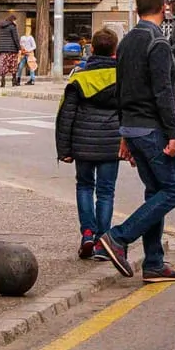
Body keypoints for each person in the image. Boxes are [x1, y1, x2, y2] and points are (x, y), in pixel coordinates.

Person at [96, 0, 175, 281]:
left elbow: (121, 89)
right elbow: (163, 93)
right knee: (174, 189)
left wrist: (124, 134)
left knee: (155, 191)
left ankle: (154, 263)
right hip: (153, 129)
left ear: (137, 10)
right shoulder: (157, 42)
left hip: (133, 128)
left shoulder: (126, 42)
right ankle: (119, 237)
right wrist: (173, 133)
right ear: (164, 8)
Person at [55, 25, 121, 257]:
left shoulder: (79, 78)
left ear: (91, 49)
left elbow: (66, 114)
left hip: (82, 143)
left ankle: (86, 234)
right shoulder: (123, 78)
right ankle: (103, 242)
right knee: (106, 191)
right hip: (112, 144)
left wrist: (63, 149)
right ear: (115, 51)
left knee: (84, 186)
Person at [0, 11, 21, 86]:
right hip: (11, 49)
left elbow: (0, 37)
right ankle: (14, 81)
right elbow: (15, 38)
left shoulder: (1, 26)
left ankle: (3, 81)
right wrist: (19, 48)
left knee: (3, 65)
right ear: (13, 20)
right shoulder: (12, 27)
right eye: (15, 20)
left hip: (2, 49)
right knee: (13, 65)